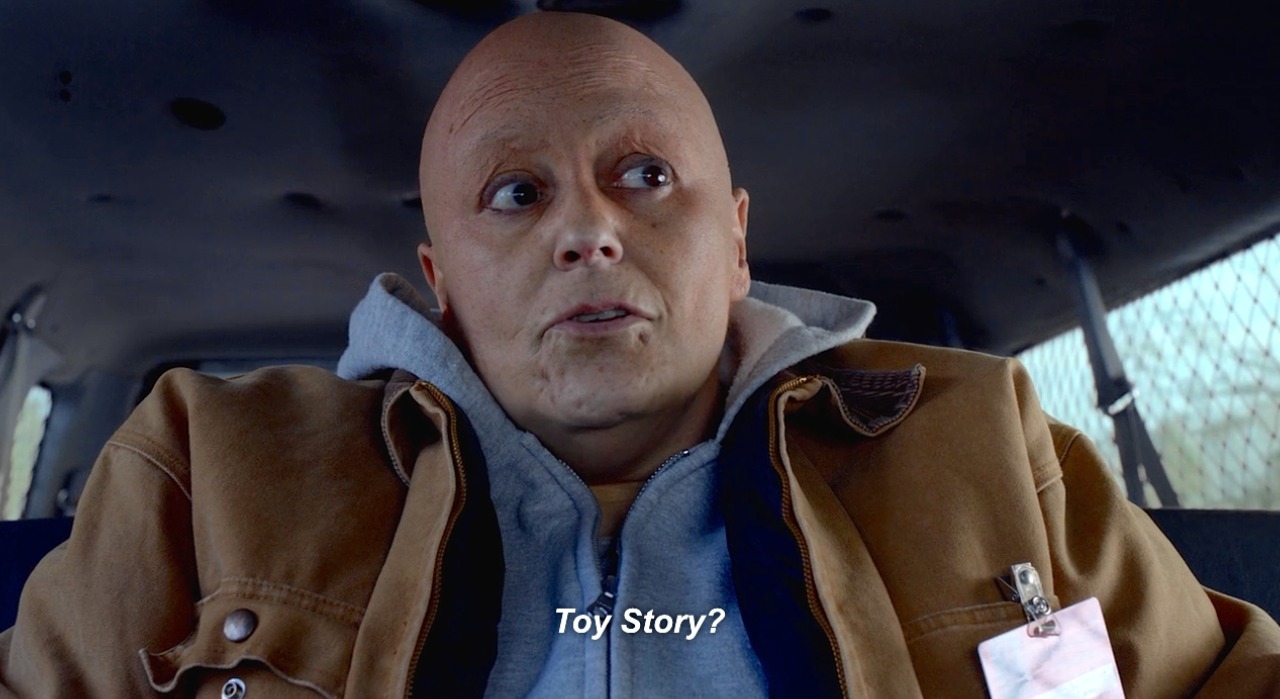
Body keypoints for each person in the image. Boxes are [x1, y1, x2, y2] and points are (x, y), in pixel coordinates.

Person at [3, 10, 1279, 698]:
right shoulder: (204, 469)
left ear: (735, 244)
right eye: (515, 194)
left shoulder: (986, 443)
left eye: (644, 175)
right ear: (440, 287)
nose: (589, 231)